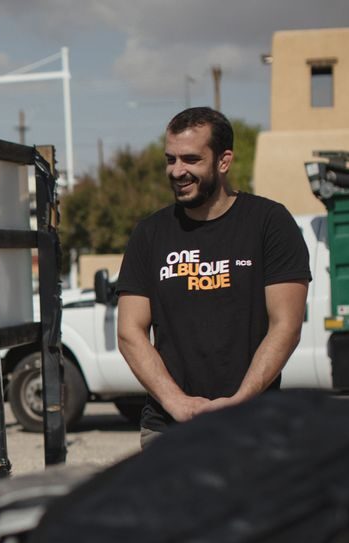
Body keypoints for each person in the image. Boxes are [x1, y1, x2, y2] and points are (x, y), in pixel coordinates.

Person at [116, 107, 311, 448]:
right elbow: (130, 331)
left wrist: (240, 401)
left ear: (223, 161)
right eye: (170, 159)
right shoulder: (150, 233)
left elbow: (286, 326)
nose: (177, 171)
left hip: (253, 424)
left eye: (191, 159)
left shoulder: (269, 223)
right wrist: (176, 402)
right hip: (167, 428)